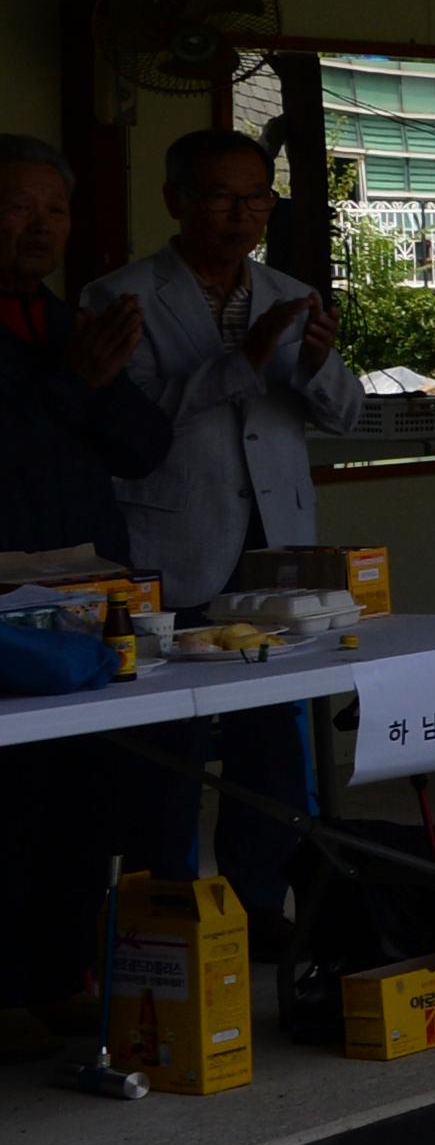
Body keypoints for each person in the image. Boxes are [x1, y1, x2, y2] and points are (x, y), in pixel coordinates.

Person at [85, 126, 364, 890]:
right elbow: (133, 424)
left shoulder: (286, 292)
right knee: (166, 743)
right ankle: (165, 908)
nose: (241, 214)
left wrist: (313, 363)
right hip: (174, 546)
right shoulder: (120, 296)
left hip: (277, 551)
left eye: (256, 197)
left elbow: (348, 416)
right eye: (221, 196)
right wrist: (243, 361)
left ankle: (263, 896)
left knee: (272, 739)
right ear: (176, 200)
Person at [0, 134, 167, 1044]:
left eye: (54, 210)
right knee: (11, 803)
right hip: (8, 621)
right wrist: (70, 388)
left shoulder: (68, 323)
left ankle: (59, 976)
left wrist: (93, 383)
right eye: (18, 207)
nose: (40, 227)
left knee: (86, 794)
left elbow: (145, 448)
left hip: (88, 605)